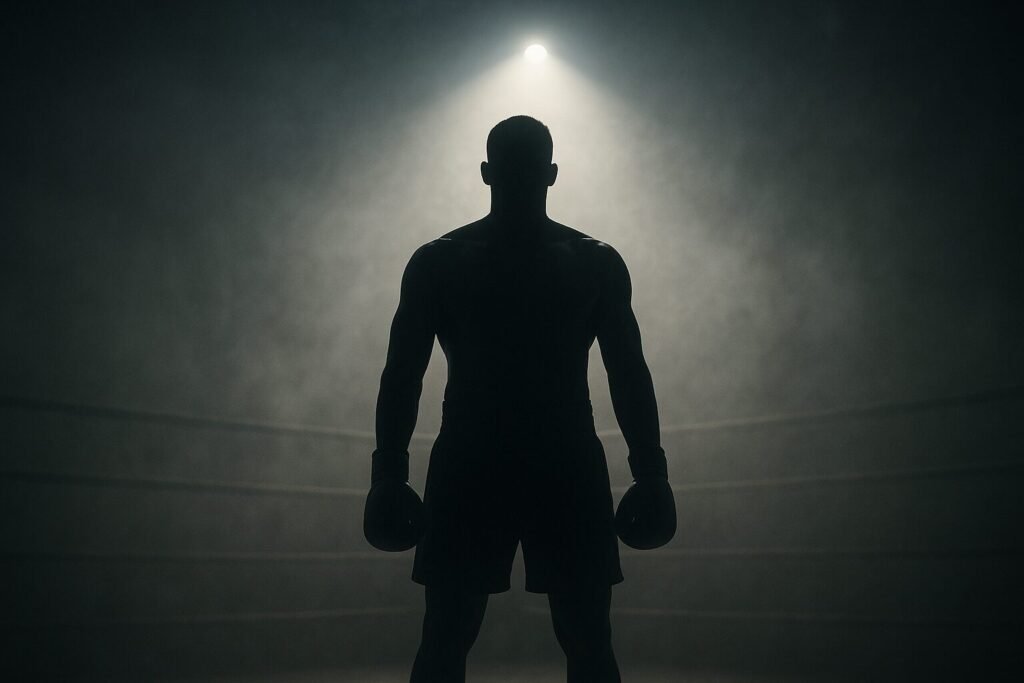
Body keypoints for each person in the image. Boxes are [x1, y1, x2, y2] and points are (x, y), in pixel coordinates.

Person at [364, 115, 676, 683]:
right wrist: (650, 472)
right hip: (562, 459)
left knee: (448, 634)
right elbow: (627, 372)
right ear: (553, 173)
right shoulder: (592, 262)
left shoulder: (441, 261)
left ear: (486, 172)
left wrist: (387, 473)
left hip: (474, 457)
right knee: (585, 637)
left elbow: (402, 376)